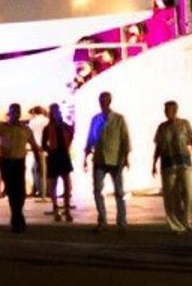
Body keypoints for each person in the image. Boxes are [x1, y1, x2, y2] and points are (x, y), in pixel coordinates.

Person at [150, 100, 192, 232]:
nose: (166, 112)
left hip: (184, 162)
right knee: (171, 195)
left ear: (175, 111)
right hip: (168, 164)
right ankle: (176, 225)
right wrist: (154, 163)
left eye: (168, 110)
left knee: (189, 193)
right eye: (165, 110)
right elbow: (158, 146)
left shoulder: (184, 124)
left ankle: (187, 220)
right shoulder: (162, 127)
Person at [83, 91, 131, 231]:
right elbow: (91, 138)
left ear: (110, 101)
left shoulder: (119, 119)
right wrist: (86, 156)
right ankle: (102, 220)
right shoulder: (96, 119)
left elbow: (125, 138)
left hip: (115, 159)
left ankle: (122, 221)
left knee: (119, 192)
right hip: (99, 159)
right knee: (97, 190)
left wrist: (126, 157)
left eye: (105, 100)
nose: (103, 103)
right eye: (101, 100)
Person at [0, 103, 41, 232]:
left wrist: (39, 162)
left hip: (19, 162)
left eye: (17, 111)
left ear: (19, 114)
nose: (15, 114)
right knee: (12, 191)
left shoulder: (25, 129)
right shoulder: (2, 127)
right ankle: (18, 219)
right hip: (6, 162)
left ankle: (17, 218)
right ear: (9, 113)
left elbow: (34, 145)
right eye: (12, 111)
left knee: (20, 192)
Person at [42, 102, 74, 221]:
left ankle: (67, 209)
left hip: (63, 155)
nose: (56, 113)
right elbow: (43, 144)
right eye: (54, 111)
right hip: (54, 156)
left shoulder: (64, 126)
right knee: (53, 183)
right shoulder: (47, 128)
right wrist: (50, 151)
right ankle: (55, 209)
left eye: (57, 111)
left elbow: (71, 134)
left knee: (67, 183)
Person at [28, 105, 49, 197]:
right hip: (46, 147)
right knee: (43, 169)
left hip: (37, 147)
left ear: (34, 112)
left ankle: (41, 190)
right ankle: (41, 190)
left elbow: (29, 134)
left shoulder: (33, 122)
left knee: (36, 169)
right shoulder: (47, 120)